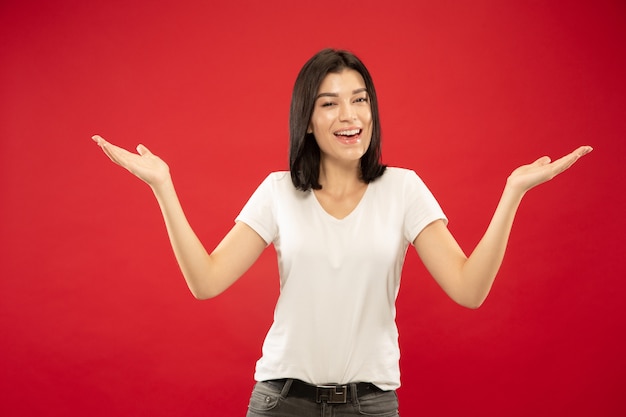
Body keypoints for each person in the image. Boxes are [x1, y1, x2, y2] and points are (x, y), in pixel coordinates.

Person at [92, 48, 592, 417]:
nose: (349, 115)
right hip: (282, 402)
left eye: (359, 100)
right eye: (330, 104)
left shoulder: (403, 189)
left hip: (370, 406)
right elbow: (206, 281)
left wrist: (513, 193)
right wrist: (163, 185)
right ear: (307, 120)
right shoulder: (278, 191)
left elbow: (469, 289)